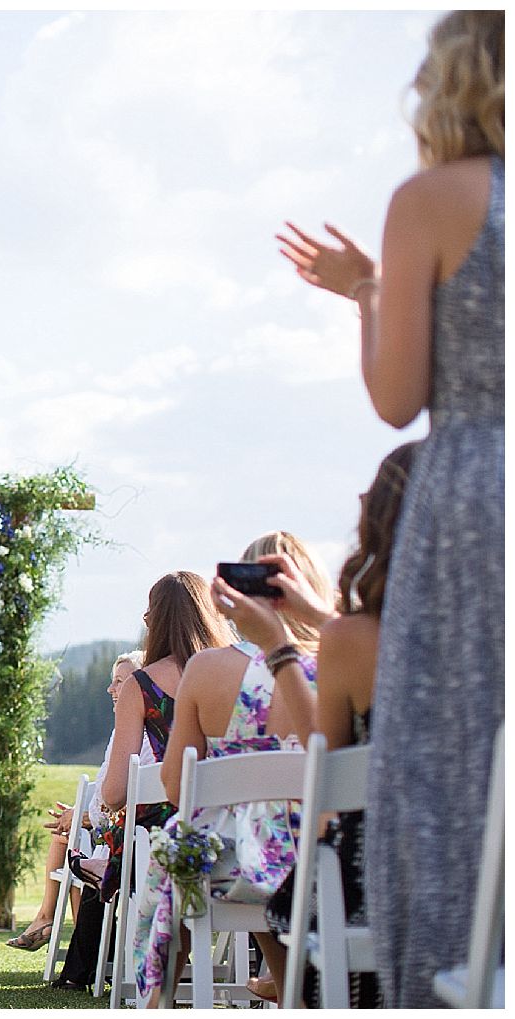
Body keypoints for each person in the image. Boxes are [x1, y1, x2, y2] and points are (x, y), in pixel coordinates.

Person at [277, 11, 503, 1006]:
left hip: (476, 499)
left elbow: (398, 396)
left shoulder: (435, 199)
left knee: (448, 751)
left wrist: (371, 294)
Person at [220, 444, 415, 1007]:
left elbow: (325, 773)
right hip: (475, 884)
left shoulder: (350, 641)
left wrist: (279, 645)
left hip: (375, 882)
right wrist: (318, 616)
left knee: (301, 878)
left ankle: (292, 992)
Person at [131, 532, 334, 1006]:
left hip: (226, 861)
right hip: (314, 858)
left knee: (185, 854)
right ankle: (290, 993)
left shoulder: (206, 668)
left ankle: (157, 999)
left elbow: (178, 787)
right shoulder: (338, 663)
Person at [49, 577, 231, 993]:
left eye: (149, 611)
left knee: (134, 837)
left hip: (167, 838)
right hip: (231, 829)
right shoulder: (236, 672)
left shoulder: (142, 686)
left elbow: (113, 794)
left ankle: (153, 989)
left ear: (159, 618)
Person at [7, 650, 144, 953]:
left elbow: (116, 796)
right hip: (115, 821)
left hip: (130, 831)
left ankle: (64, 931)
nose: (111, 689)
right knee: (66, 836)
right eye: (112, 682)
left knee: (70, 842)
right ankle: (76, 939)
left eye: (119, 682)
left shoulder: (135, 732)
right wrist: (81, 813)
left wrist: (83, 816)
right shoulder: (124, 730)